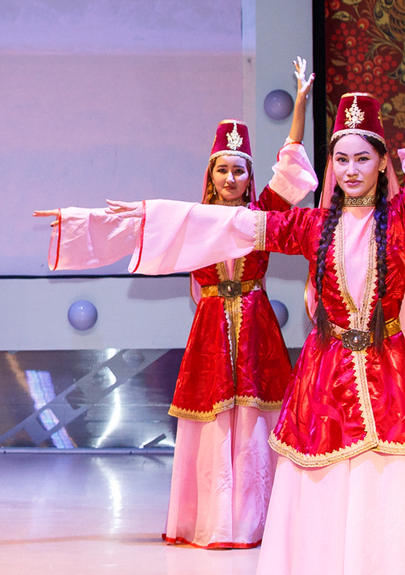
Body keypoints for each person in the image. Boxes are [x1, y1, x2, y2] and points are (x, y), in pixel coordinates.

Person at [104, 19, 405, 575]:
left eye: (363, 158)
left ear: (383, 163)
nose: (350, 169)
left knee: (379, 490)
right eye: (341, 159)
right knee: (326, 490)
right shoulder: (310, 226)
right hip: (327, 379)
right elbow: (228, 224)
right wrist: (148, 218)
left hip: (385, 376)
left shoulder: (404, 215)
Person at [35, 58, 317, 548]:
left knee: (254, 419)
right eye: (223, 169)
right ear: (211, 175)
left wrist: (300, 107)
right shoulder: (192, 218)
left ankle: (257, 520)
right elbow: (132, 222)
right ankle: (212, 520)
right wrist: (76, 220)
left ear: (249, 177)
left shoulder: (263, 213)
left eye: (239, 170)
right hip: (211, 326)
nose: (231, 178)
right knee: (213, 423)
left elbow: (290, 171)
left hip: (255, 325)